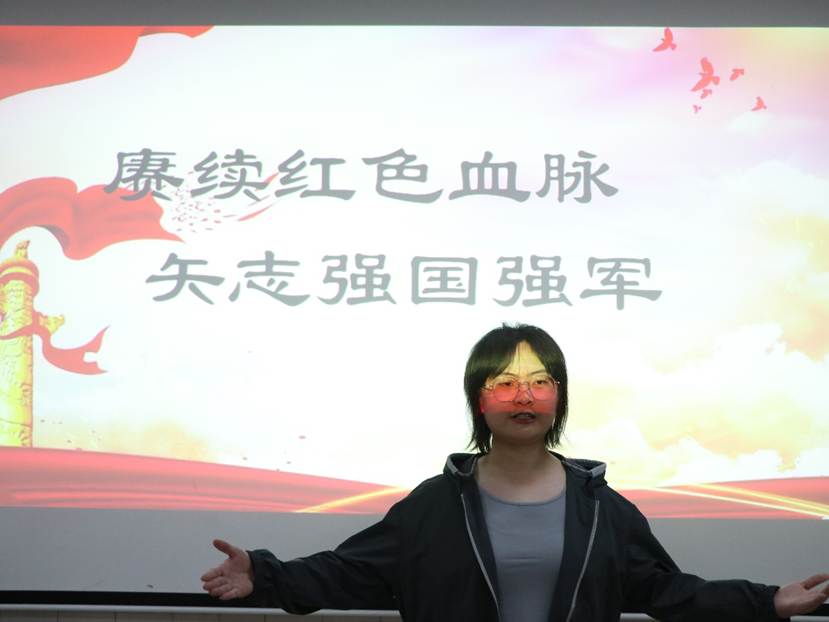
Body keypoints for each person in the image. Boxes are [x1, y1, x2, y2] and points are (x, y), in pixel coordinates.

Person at [201, 323, 829, 621]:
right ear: (479, 401)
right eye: (504, 384)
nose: (523, 397)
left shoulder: (600, 508)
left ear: (559, 398)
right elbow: (349, 572)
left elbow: (667, 592)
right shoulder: (435, 505)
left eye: (540, 383)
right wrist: (265, 574)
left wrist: (768, 600)